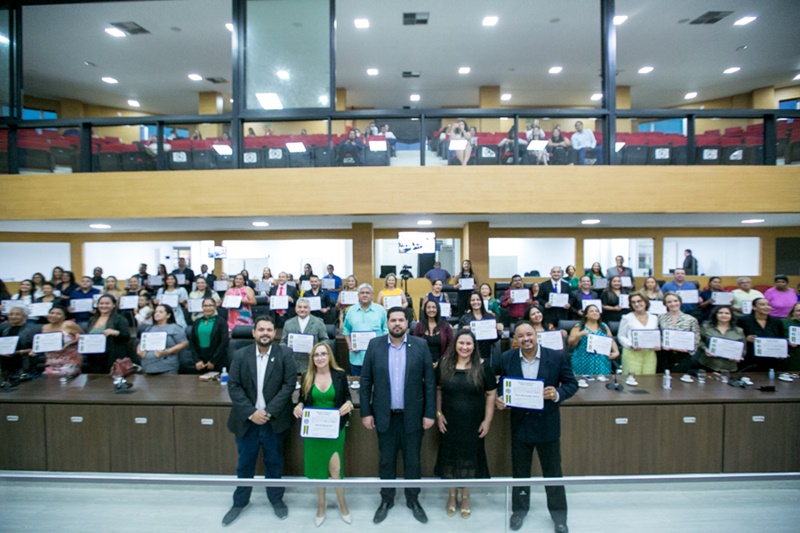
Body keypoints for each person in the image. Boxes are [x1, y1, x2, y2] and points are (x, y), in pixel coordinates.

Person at [493, 320, 577, 533]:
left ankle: (559, 517)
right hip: (520, 425)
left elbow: (571, 384)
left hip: (547, 425)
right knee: (520, 474)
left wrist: (557, 394)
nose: (526, 339)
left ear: (536, 335)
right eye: (520, 336)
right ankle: (519, 511)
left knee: (553, 473)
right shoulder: (506, 358)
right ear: (515, 339)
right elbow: (497, 384)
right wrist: (500, 399)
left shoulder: (556, 357)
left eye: (529, 334)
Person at [360, 307, 436, 525]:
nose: (397, 324)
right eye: (393, 320)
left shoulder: (420, 345)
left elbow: (429, 383)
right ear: (387, 323)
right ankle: (386, 500)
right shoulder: (375, 345)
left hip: (413, 416)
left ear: (407, 323)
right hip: (385, 416)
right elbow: (366, 382)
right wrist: (366, 412)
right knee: (386, 461)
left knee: (413, 461)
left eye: (401, 320)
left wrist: (430, 413)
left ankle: (413, 500)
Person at [222, 315, 297, 526]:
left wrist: (268, 412)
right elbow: (234, 386)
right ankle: (239, 502)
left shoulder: (285, 354)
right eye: (261, 329)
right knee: (245, 463)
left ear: (275, 333)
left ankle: (276, 500)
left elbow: (288, 385)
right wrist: (251, 412)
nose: (265, 333)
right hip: (246, 421)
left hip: (274, 421)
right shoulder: (240, 354)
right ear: (254, 333)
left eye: (269, 330)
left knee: (274, 462)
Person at [435, 329, 497, 519]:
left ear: (474, 346)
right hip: (449, 422)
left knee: (470, 459)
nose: (464, 347)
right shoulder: (444, 364)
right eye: (461, 343)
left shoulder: (483, 366)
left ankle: (466, 496)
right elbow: (438, 389)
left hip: (473, 423)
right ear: (455, 345)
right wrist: (438, 414)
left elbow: (491, 394)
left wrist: (487, 420)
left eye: (468, 344)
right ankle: (452, 496)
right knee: (450, 458)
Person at [292, 342, 354, 526]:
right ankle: (321, 505)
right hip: (314, 430)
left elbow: (348, 397)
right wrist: (299, 406)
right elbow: (302, 399)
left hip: (334, 429)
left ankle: (343, 504)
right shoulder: (307, 376)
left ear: (329, 357)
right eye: (316, 355)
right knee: (319, 471)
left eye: (323, 354)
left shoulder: (340, 374)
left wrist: (348, 405)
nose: (320, 357)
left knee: (336, 470)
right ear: (312, 358)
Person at [342, 284, 388, 376]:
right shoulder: (351, 311)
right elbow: (346, 330)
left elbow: (386, 330)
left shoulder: (381, 310)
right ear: (358, 295)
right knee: (358, 385)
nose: (365, 295)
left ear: (372, 295)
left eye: (367, 293)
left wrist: (380, 346)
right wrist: (349, 345)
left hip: (376, 356)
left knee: (377, 385)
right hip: (357, 358)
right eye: (362, 293)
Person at [84, 294, 131, 373]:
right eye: (101, 303)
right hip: (93, 357)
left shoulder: (120, 319)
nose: (104, 306)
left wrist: (116, 333)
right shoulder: (92, 319)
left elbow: (126, 336)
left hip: (111, 356)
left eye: (107, 303)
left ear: (114, 305)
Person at [136, 304, 188, 375]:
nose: (157, 314)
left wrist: (168, 351)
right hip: (147, 366)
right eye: (156, 312)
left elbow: (184, 343)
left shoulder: (174, 328)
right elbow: (141, 343)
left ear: (168, 315)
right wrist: (139, 350)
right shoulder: (149, 329)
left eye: (160, 312)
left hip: (166, 365)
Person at [568, 304, 620, 375]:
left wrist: (616, 352)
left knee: (602, 383)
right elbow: (571, 343)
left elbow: (611, 340)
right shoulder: (579, 326)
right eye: (591, 311)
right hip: (583, 359)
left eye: (597, 311)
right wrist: (579, 334)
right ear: (586, 315)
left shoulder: (604, 326)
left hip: (602, 361)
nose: (595, 313)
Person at [280, 298, 329, 371]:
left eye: (305, 307)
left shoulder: (318, 323)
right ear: (295, 309)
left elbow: (325, 340)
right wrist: (288, 350)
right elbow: (282, 342)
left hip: (312, 363)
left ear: (309, 309)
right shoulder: (288, 323)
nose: (302, 309)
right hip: (292, 363)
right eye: (299, 307)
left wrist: (316, 350)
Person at [737, 298, 786, 372]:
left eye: (768, 305)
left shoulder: (777, 322)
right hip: (750, 360)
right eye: (762, 305)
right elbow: (736, 337)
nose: (766, 307)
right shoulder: (743, 320)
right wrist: (745, 338)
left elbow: (781, 338)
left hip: (772, 360)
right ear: (754, 307)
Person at [657, 293, 701, 373]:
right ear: (665, 304)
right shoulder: (660, 317)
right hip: (665, 354)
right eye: (669, 302)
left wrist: (688, 350)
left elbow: (696, 339)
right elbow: (657, 335)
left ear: (680, 302)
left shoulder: (691, 319)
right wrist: (661, 344)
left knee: (678, 381)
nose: (673, 304)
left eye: (675, 301)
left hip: (683, 355)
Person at [617, 293, 659, 375]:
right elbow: (621, 336)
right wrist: (631, 345)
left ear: (645, 302)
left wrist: (657, 344)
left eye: (639, 301)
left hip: (649, 353)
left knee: (648, 381)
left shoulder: (654, 318)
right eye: (633, 302)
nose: (636, 304)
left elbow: (655, 334)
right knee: (631, 380)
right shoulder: (626, 318)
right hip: (632, 353)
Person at [696, 305, 745, 374]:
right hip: (708, 364)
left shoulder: (739, 331)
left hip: (730, 367)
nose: (723, 315)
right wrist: (705, 349)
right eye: (720, 313)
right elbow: (699, 340)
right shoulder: (706, 327)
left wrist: (739, 356)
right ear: (715, 315)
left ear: (731, 315)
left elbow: (744, 348)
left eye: (727, 313)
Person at [187, 298, 229, 373]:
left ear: (215, 307)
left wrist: (213, 361)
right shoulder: (197, 322)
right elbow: (192, 342)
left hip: (217, 360)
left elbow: (224, 342)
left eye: (210, 305)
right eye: (205, 306)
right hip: (200, 362)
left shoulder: (221, 322)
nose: (207, 308)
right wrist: (197, 360)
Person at [41, 305, 83, 378]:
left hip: (69, 360)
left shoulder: (69, 325)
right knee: (49, 381)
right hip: (51, 361)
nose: (54, 315)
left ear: (64, 317)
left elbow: (84, 338)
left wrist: (71, 343)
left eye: (58, 314)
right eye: (52, 313)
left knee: (64, 380)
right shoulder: (44, 327)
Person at [460, 292, 504, 360]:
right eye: (473, 300)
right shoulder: (464, 318)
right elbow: (459, 339)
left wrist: (499, 332)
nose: (475, 302)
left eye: (478, 299)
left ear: (481, 301)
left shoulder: (490, 317)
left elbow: (495, 339)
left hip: (486, 353)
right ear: (469, 302)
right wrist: (463, 331)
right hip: (470, 354)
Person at [412, 299, 454, 364]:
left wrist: (440, 361)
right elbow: (414, 344)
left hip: (442, 363)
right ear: (425, 310)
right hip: (422, 362)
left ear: (438, 309)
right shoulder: (419, 326)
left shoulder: (445, 326)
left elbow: (451, 345)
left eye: (434, 307)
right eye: (428, 307)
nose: (431, 310)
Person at [0, 307, 36, 375]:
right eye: (11, 314)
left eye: (17, 314)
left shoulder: (31, 330)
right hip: (6, 364)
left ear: (25, 316)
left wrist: (18, 352)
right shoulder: (5, 330)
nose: (13, 316)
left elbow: (35, 349)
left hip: (23, 364)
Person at [782, 302, 800, 371]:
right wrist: (787, 341)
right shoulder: (784, 322)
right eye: (798, 310)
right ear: (793, 312)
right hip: (792, 356)